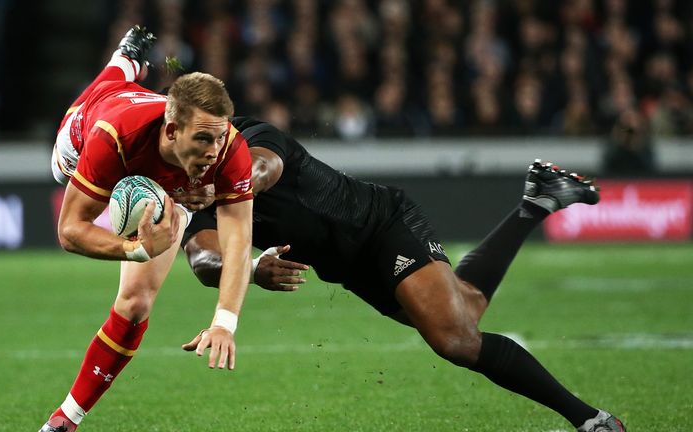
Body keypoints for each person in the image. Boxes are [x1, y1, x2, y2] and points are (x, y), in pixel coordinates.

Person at [180, 117, 627, 432]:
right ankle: (537, 202)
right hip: (349, 268)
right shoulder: (186, 183)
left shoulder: (250, 135)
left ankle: (593, 421)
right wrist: (254, 268)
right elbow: (203, 259)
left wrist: (225, 189)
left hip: (383, 225)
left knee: (455, 340)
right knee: (464, 309)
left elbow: (265, 167)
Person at [40, 26, 254, 432]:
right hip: (92, 123)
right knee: (103, 98)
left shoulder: (228, 147)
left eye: (219, 138)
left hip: (167, 180)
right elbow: (70, 231)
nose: (213, 151)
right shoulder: (113, 137)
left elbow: (239, 238)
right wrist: (134, 248)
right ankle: (122, 63)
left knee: (135, 303)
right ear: (172, 132)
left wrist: (225, 321)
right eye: (203, 139)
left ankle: (64, 420)